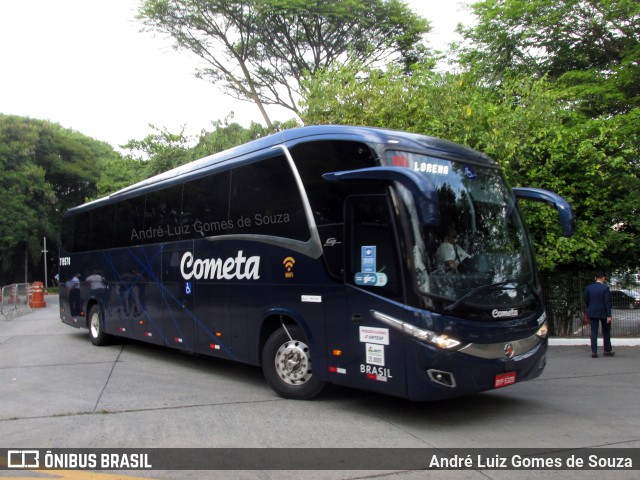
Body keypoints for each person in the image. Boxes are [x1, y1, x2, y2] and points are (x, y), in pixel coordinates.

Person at [584, 273, 614, 358]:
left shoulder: (589, 288)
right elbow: (607, 302)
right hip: (603, 312)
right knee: (606, 331)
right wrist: (609, 315)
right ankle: (607, 350)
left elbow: (586, 300)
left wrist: (590, 307)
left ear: (595, 278)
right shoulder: (605, 288)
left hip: (592, 311)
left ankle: (594, 352)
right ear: (602, 278)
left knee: (593, 332)